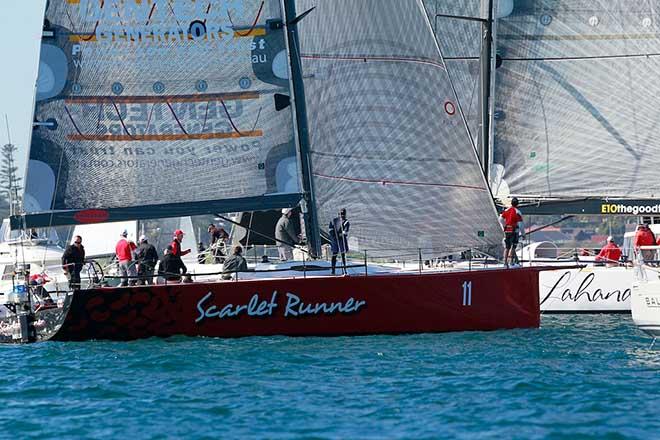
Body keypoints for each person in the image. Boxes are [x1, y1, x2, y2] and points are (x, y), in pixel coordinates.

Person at [499, 197, 524, 268]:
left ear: (511, 203)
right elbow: (521, 224)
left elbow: (500, 219)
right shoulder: (518, 212)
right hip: (515, 231)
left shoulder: (506, 210)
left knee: (507, 247)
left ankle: (505, 263)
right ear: (517, 204)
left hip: (507, 230)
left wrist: (505, 226)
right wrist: (523, 234)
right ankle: (511, 262)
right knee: (513, 247)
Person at [329, 208, 350, 275]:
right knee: (334, 255)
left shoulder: (346, 222)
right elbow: (330, 229)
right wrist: (334, 236)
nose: (342, 215)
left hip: (341, 240)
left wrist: (341, 234)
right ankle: (333, 270)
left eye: (343, 214)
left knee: (343, 255)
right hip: (335, 240)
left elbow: (346, 230)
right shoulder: (333, 221)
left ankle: (344, 270)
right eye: (341, 214)